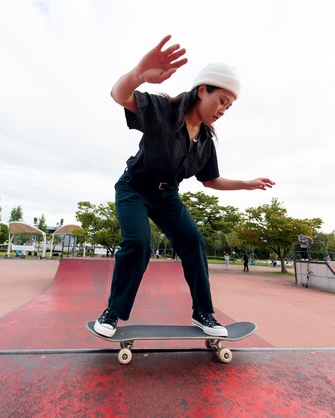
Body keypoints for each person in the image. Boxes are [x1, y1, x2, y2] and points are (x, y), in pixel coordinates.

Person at [93, 35, 275, 338]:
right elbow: (118, 95)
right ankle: (112, 312)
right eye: (221, 101)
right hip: (135, 187)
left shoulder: (205, 141)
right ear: (203, 90)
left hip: (168, 197)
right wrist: (138, 73)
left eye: (228, 107)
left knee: (193, 243)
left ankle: (204, 314)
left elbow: (210, 180)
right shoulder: (164, 110)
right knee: (138, 243)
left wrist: (247, 184)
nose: (222, 111)